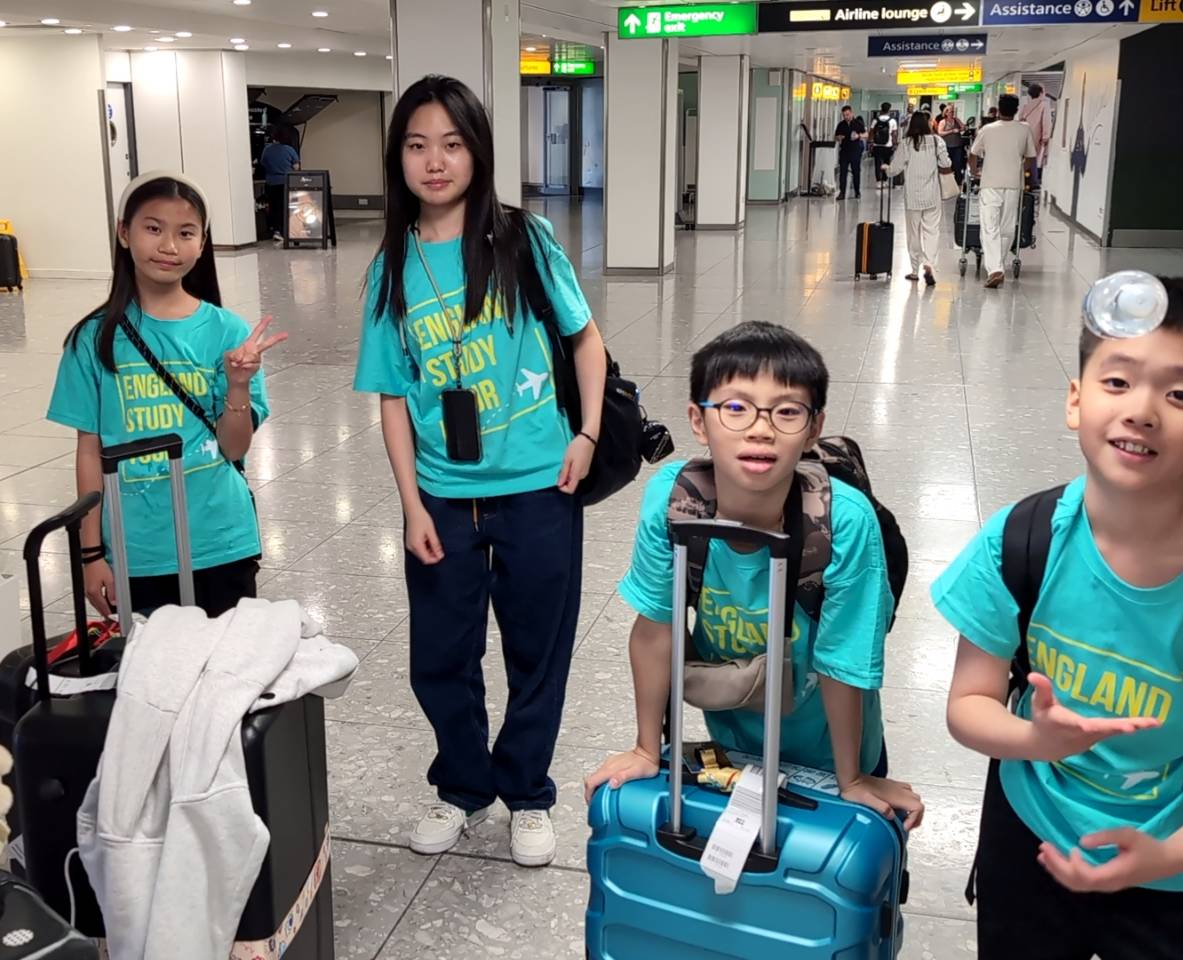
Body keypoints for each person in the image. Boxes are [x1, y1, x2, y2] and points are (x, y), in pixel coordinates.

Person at [933, 277, 1183, 960]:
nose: (1141, 411)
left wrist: (1170, 855)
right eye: (1117, 382)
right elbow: (969, 703)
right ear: (1075, 399)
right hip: (1033, 839)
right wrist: (1036, 740)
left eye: (1180, 395)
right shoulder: (1020, 541)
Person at [354, 75, 607, 869]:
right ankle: (463, 786)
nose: (435, 162)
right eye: (417, 145)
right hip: (443, 497)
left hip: (539, 487)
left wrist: (588, 433)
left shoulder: (522, 239)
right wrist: (410, 505)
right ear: (398, 157)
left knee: (538, 651)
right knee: (439, 656)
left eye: (452, 144)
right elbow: (393, 397)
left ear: (478, 152)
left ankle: (527, 792)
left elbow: (585, 339)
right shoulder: (391, 268)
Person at [583, 322, 923, 829]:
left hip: (834, 749)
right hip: (734, 744)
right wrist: (646, 749)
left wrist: (851, 779)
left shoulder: (844, 523)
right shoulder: (674, 503)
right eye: (736, 408)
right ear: (698, 421)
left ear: (814, 427)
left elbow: (843, 661)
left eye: (787, 411)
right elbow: (655, 630)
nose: (760, 429)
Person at [47, 172, 283, 618]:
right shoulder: (93, 339)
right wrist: (91, 553)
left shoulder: (226, 331)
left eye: (186, 233)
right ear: (124, 232)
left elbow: (234, 448)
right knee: (150, 662)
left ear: (202, 243)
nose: (169, 246)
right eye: (153, 228)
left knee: (225, 658)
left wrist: (238, 384)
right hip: (136, 548)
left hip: (219, 540)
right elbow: (89, 451)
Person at [968, 95, 1036, 289]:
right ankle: (999, 266)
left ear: (998, 109)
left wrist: (975, 171)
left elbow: (973, 154)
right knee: (1007, 228)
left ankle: (995, 269)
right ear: (1016, 110)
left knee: (990, 227)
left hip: (990, 183)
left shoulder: (987, 129)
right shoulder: (1024, 129)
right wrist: (1020, 170)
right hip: (1013, 184)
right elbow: (1031, 157)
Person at [884, 112, 953, 286]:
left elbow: (895, 169)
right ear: (927, 123)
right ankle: (929, 263)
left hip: (913, 196)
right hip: (932, 195)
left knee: (913, 233)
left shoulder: (906, 143)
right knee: (932, 231)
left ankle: (915, 270)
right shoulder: (937, 141)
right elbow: (946, 164)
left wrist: (886, 169)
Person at [258, 124, 301, 241]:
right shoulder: (289, 150)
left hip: (271, 183)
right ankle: (287, 230)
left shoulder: (267, 149)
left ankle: (276, 230)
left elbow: (263, 163)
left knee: (273, 207)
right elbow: (296, 167)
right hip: (286, 183)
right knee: (286, 207)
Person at [1018, 82, 1055, 190]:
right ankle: (1033, 182)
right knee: (1033, 158)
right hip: (1036, 135)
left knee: (1026, 158)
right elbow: (1046, 121)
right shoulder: (1044, 104)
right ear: (1041, 92)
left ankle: (1024, 180)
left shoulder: (1026, 106)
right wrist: (1045, 136)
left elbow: (1020, 119)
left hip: (1024, 135)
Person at [833, 105, 867, 199]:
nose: (846, 117)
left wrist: (858, 136)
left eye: (847, 114)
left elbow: (866, 134)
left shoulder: (858, 123)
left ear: (851, 113)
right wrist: (839, 137)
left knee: (856, 172)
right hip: (844, 151)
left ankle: (857, 191)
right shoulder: (841, 125)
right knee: (843, 172)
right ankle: (842, 192)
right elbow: (836, 136)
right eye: (844, 115)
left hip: (855, 151)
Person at [936, 104, 967, 187]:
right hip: (947, 147)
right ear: (946, 113)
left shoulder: (956, 120)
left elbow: (964, 127)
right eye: (951, 112)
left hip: (957, 146)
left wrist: (961, 128)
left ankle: (958, 183)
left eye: (953, 112)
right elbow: (940, 133)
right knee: (947, 165)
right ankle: (947, 183)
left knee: (958, 165)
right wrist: (951, 131)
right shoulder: (943, 122)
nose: (952, 113)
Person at [869, 102, 899, 184]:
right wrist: (895, 144)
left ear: (881, 109)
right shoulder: (892, 121)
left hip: (877, 145)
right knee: (887, 162)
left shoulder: (875, 120)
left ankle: (878, 181)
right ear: (889, 110)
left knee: (877, 163)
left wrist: (870, 142)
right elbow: (894, 134)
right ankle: (885, 180)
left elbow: (871, 132)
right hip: (888, 146)